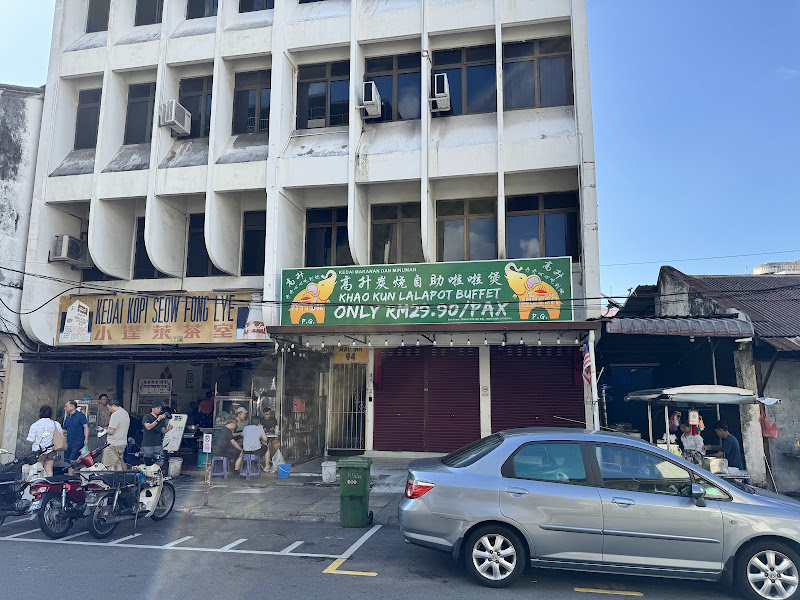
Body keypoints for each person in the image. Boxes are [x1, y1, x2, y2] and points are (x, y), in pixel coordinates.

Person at [27, 405, 64, 477]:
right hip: (51, 450)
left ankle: (40, 486)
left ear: (40, 413)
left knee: (38, 470)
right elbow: (60, 435)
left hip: (38, 451)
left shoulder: (35, 425)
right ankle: (49, 486)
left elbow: (31, 439)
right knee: (49, 469)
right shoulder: (56, 424)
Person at [141, 400, 173, 464]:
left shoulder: (161, 418)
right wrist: (158, 419)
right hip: (147, 444)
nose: (159, 410)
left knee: (160, 462)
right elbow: (148, 427)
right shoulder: (147, 417)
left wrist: (168, 429)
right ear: (152, 408)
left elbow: (163, 431)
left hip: (158, 444)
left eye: (160, 408)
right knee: (148, 462)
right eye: (157, 408)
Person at [102, 399, 130, 471]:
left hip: (113, 444)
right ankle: (121, 480)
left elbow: (111, 431)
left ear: (114, 406)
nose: (109, 410)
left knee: (110, 465)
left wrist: (103, 430)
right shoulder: (125, 413)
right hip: (122, 442)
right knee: (119, 463)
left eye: (109, 408)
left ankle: (111, 481)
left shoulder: (115, 415)